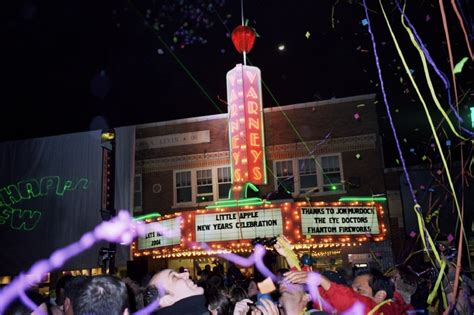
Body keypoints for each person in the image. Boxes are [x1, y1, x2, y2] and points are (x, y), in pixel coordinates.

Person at [284, 268, 404, 314]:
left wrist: (324, 281)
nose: (353, 292)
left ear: (380, 295)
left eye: (359, 289)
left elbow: (351, 300)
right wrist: (291, 259)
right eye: (351, 289)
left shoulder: (386, 310)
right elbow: (326, 298)